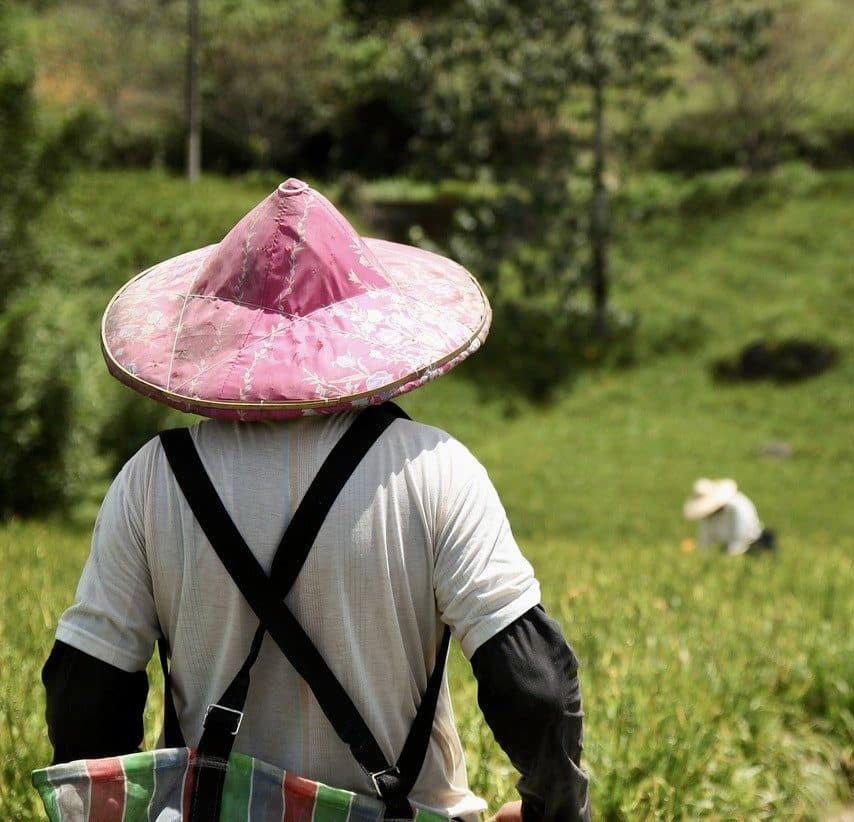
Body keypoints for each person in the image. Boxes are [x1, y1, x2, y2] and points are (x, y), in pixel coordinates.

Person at [40, 180, 589, 822]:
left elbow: (85, 700)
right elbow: (538, 688)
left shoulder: (153, 479)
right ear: (366, 327)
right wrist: (554, 813)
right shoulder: (434, 469)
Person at [683, 478, 775, 555]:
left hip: (755, 545)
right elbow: (704, 541)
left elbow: (740, 538)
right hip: (728, 548)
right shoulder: (708, 517)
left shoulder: (736, 508)